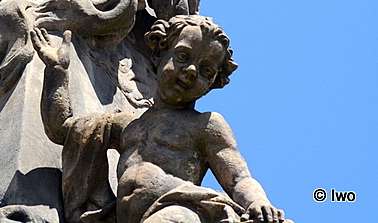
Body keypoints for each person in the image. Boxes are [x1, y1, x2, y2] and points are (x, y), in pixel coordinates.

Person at [31, 16, 287, 223]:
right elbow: (62, 130)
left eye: (206, 70)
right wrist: (57, 72)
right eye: (183, 57)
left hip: (179, 208)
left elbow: (238, 177)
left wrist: (257, 202)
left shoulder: (206, 125)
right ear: (158, 55)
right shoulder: (126, 125)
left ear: (212, 84)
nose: (191, 71)